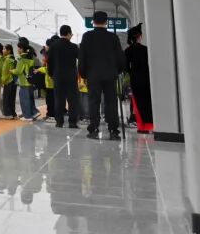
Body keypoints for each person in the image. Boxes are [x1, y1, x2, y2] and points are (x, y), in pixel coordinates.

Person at [79, 10, 126, 140]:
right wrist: (118, 70)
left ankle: (94, 128)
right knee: (111, 102)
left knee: (94, 101)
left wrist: (84, 74)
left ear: (93, 22)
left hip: (93, 74)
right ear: (106, 22)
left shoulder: (87, 36)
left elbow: (82, 57)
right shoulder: (113, 37)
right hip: (110, 74)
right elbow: (120, 58)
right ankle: (113, 130)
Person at [48, 24, 80, 129]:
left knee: (59, 100)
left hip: (58, 76)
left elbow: (50, 62)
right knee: (72, 100)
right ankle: (72, 122)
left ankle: (59, 122)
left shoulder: (53, 46)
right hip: (71, 77)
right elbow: (80, 58)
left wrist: (51, 74)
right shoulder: (73, 47)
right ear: (69, 34)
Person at [126, 24, 154, 132]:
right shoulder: (146, 50)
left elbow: (125, 67)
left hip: (135, 80)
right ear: (140, 36)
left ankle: (141, 127)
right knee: (147, 102)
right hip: (147, 79)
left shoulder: (128, 51)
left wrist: (131, 73)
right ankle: (149, 125)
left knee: (137, 103)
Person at [15, 41, 39, 120]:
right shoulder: (30, 57)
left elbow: (18, 71)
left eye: (18, 48)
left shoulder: (21, 59)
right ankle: (34, 112)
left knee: (24, 100)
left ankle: (27, 116)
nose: (17, 49)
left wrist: (11, 71)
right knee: (30, 99)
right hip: (30, 81)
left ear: (21, 49)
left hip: (24, 82)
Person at [0, 43, 17, 118]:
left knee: (6, 98)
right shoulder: (13, 59)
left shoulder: (7, 60)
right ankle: (13, 113)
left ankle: (7, 114)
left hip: (8, 81)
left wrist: (2, 81)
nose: (2, 50)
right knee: (12, 98)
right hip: (14, 81)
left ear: (9, 51)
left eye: (4, 49)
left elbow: (5, 72)